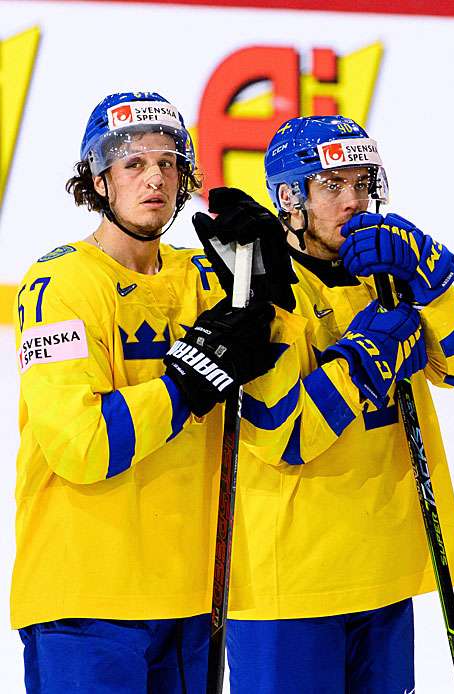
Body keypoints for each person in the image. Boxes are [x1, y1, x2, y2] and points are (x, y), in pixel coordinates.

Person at [198, 114, 454, 693]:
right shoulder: (261, 288)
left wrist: (432, 286)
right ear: (290, 198)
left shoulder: (386, 275)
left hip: (384, 570)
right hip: (291, 583)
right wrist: (366, 358)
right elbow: (285, 435)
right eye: (332, 186)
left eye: (361, 184)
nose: (353, 200)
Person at [11, 91, 277, 692]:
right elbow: (83, 445)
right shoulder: (60, 284)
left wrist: (264, 269)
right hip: (86, 599)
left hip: (190, 601)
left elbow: (268, 374)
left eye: (167, 162)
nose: (154, 177)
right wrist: (187, 379)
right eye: (132, 163)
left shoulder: (203, 277)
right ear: (99, 181)